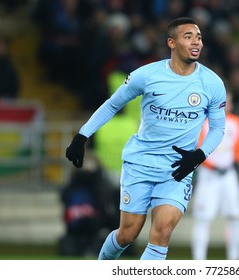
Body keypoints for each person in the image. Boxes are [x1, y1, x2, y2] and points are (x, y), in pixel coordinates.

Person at [65, 17, 226, 260]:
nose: (196, 42)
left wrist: (199, 155)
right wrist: (82, 136)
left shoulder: (212, 83)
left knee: (162, 230)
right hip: (141, 163)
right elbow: (112, 105)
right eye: (188, 36)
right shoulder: (147, 75)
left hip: (177, 169)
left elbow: (217, 128)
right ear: (171, 43)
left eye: (199, 37)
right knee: (128, 234)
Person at [191, 92, 239, 260]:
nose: (228, 104)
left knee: (235, 216)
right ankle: (199, 261)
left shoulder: (236, 122)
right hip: (209, 175)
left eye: (229, 101)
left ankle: (234, 260)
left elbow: (238, 146)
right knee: (202, 218)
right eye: (224, 101)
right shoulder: (205, 123)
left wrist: (236, 162)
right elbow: (198, 149)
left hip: (228, 174)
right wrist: (212, 165)